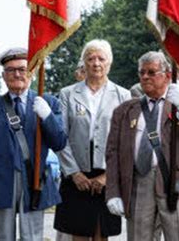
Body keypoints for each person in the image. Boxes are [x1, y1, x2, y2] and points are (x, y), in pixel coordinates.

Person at [105, 51, 179, 241]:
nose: (145, 77)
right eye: (141, 72)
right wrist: (113, 192)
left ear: (167, 76)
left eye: (151, 72)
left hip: (176, 184)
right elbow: (112, 154)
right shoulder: (125, 110)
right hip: (138, 183)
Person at [0, 47, 67, 241]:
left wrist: (47, 116)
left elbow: (59, 142)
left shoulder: (47, 101)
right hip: (0, 181)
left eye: (22, 69)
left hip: (34, 181)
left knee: (32, 237)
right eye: (11, 70)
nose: (17, 74)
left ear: (31, 72)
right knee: (2, 237)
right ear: (3, 75)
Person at [54, 39, 131, 241]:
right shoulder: (68, 94)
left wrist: (108, 176)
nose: (96, 63)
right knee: (77, 233)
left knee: (101, 233)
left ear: (109, 63)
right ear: (84, 63)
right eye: (91, 58)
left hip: (107, 174)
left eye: (101, 59)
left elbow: (127, 142)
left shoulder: (123, 95)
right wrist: (73, 173)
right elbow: (61, 137)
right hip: (76, 175)